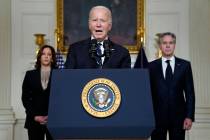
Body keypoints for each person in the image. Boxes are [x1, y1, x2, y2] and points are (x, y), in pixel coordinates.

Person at [149, 32, 195, 140]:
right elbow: (148, 94)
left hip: (179, 118)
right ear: (160, 45)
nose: (168, 45)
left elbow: (190, 93)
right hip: (157, 118)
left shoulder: (185, 66)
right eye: (164, 43)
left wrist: (189, 116)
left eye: (171, 43)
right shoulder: (151, 66)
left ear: (174, 45)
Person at [65, 5, 131, 69]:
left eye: (102, 20)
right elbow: (69, 78)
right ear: (89, 25)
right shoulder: (75, 50)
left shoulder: (122, 53)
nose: (98, 24)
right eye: (94, 20)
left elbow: (125, 79)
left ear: (109, 26)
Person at [22, 45, 57, 140]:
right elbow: (25, 98)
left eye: (49, 54)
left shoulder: (59, 75)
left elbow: (61, 98)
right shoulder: (30, 75)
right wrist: (35, 116)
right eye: (43, 54)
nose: (46, 56)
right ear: (39, 57)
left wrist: (53, 115)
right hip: (34, 120)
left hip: (54, 120)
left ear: (52, 58)